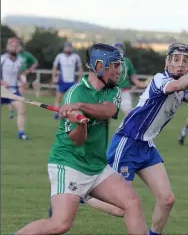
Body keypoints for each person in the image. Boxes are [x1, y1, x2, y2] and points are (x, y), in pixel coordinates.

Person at [77, 42, 188, 235]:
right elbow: (177, 85)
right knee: (121, 208)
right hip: (127, 142)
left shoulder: (185, 86)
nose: (180, 64)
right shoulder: (161, 80)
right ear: (167, 61)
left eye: (185, 60)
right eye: (176, 59)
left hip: (147, 146)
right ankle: (83, 194)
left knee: (167, 200)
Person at [13, 43, 148, 235]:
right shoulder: (74, 93)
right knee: (60, 224)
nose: (119, 70)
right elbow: (77, 141)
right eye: (115, 65)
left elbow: (109, 110)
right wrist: (81, 123)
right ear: (100, 66)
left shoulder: (112, 90)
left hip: (97, 166)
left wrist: (82, 107)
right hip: (69, 164)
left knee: (132, 203)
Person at [1, 38, 29, 140]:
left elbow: (18, 74)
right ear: (8, 47)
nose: (14, 48)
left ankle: (21, 133)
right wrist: (2, 81)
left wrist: (22, 82)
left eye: (16, 46)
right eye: (12, 46)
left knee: (21, 109)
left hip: (13, 91)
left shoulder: (20, 60)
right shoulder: (2, 59)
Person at [8, 38, 39, 119]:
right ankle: (11, 111)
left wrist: (29, 70)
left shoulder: (26, 55)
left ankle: (19, 111)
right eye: (17, 46)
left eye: (19, 46)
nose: (18, 47)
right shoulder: (11, 55)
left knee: (20, 95)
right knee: (11, 94)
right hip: (12, 77)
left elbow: (35, 62)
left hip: (22, 76)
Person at [114, 42, 148, 116]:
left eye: (120, 50)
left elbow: (134, 79)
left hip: (124, 91)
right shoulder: (109, 62)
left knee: (129, 114)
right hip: (112, 92)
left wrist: (145, 84)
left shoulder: (127, 61)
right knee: (107, 116)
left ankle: (125, 128)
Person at [52, 42, 83, 119]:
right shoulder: (60, 56)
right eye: (66, 47)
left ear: (71, 48)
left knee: (71, 99)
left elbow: (80, 68)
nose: (68, 48)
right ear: (64, 48)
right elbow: (55, 67)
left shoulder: (76, 57)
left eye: (69, 47)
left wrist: (80, 78)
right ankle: (56, 113)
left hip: (72, 81)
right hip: (62, 81)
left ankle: (70, 114)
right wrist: (54, 77)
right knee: (58, 98)